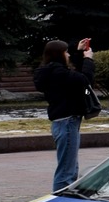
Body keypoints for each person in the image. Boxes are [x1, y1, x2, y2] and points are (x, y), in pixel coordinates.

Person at [33, 39, 95, 193]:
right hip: (67, 122)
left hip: (61, 122)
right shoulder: (60, 73)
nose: (68, 55)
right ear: (59, 54)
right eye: (66, 52)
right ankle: (60, 199)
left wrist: (78, 52)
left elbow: (75, 77)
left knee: (70, 167)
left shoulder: (50, 72)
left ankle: (67, 198)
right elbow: (86, 82)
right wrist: (88, 59)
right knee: (66, 171)